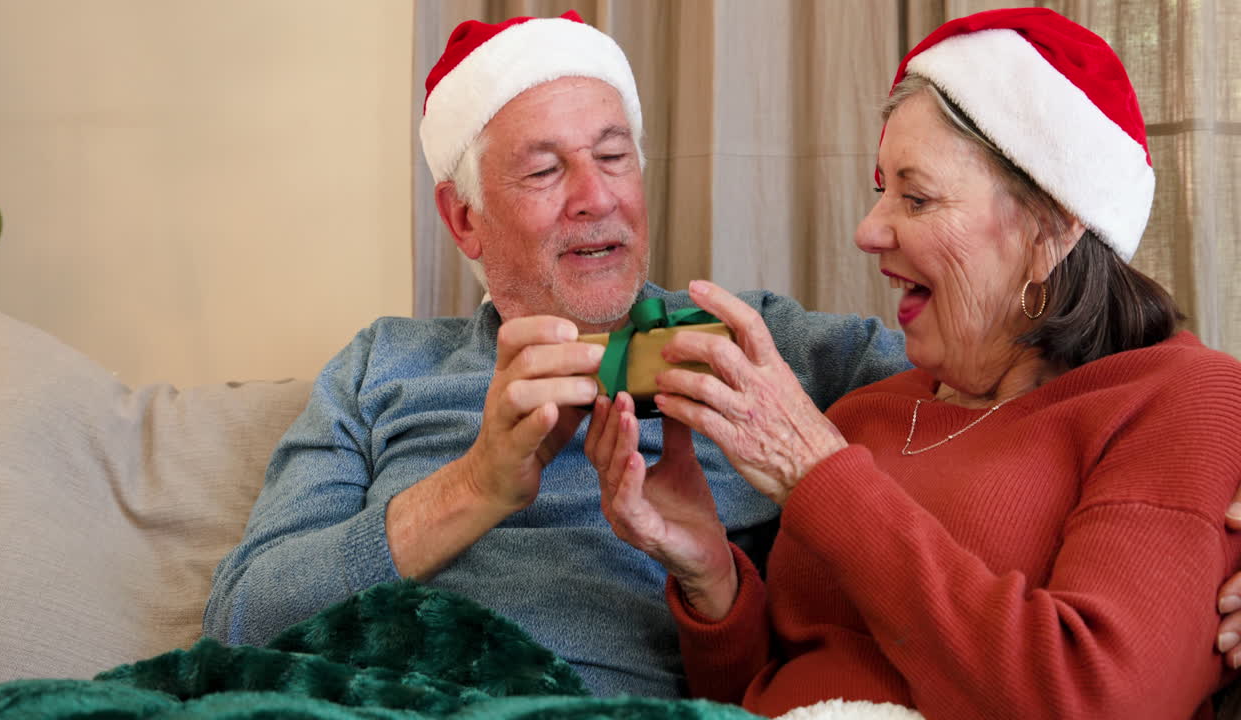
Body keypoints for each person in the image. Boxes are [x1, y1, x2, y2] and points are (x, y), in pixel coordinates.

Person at [202, 11, 910, 699]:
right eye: (544, 171)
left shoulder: (757, 340)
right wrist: (474, 487)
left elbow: (988, 388)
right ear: (464, 219)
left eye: (612, 157)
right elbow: (240, 620)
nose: (596, 196)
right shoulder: (384, 363)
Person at [589, 8, 1241, 718]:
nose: (868, 232)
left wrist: (817, 475)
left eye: (917, 197)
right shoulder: (868, 412)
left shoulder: (1182, 399)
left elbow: (1095, 699)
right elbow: (770, 691)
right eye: (880, 190)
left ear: (1050, 226)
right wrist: (710, 575)